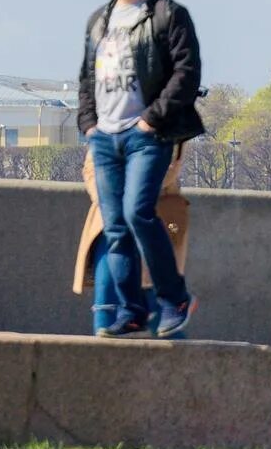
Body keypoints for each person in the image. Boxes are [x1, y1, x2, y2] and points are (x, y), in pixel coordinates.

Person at [76, 0, 204, 339]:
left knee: (138, 213)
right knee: (115, 227)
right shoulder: (99, 20)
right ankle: (131, 311)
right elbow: (85, 76)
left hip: (146, 136)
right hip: (105, 137)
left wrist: (151, 120)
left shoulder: (168, 14)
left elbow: (187, 72)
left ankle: (174, 299)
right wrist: (88, 124)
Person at [74, 144, 190, 337]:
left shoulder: (164, 116)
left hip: (153, 216)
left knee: (157, 308)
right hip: (109, 221)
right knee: (106, 303)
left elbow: (168, 168)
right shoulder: (107, 120)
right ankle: (104, 363)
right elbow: (91, 167)